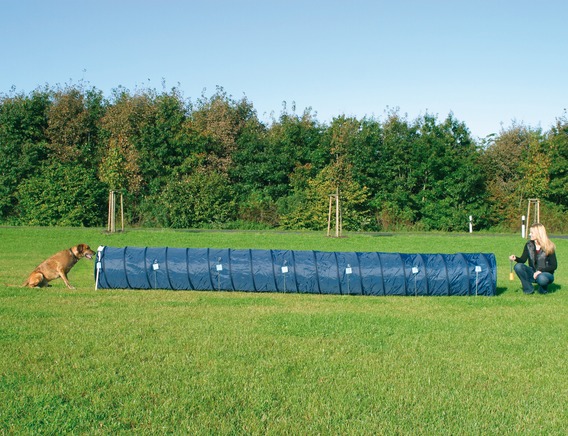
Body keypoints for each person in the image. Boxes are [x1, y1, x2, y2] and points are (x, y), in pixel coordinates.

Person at [509, 223, 557, 294]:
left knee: (542, 278)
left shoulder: (549, 246)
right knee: (518, 266)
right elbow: (523, 260)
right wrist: (515, 258)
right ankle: (528, 290)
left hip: (546, 274)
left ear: (538, 233)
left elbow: (554, 266)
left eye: (532, 233)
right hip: (532, 272)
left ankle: (543, 290)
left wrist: (540, 271)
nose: (529, 234)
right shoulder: (529, 245)